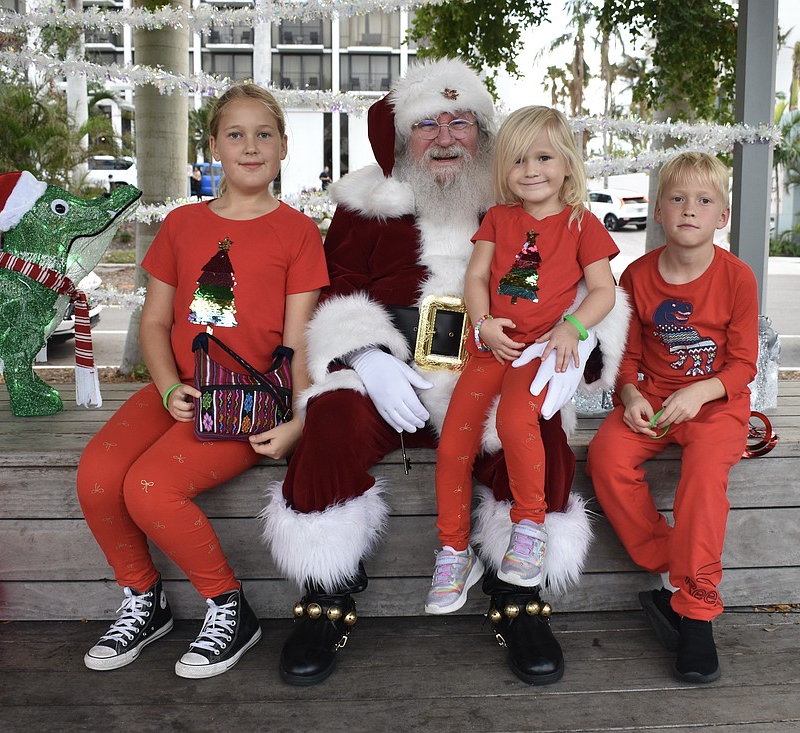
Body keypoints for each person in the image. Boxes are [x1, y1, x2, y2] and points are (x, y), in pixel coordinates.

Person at [258, 58, 629, 687]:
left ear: (484, 133)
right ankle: (327, 587)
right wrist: (365, 355)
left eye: (462, 122)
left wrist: (579, 346)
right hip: (392, 369)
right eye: (428, 124)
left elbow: (593, 287)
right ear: (404, 138)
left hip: (502, 360)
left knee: (537, 432)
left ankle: (519, 592)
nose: (446, 137)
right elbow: (336, 286)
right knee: (333, 419)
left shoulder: (520, 196)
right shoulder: (363, 206)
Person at [76, 83, 328, 679]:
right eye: (235, 135)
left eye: (263, 135)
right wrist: (167, 387)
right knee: (97, 477)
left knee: (149, 488)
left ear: (283, 147)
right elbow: (155, 323)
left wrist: (300, 418)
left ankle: (229, 607)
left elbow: (301, 342)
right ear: (213, 146)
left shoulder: (298, 232)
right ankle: (145, 599)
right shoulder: (182, 225)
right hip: (179, 388)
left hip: (248, 401)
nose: (250, 146)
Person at [425, 106, 617, 615]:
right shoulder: (498, 218)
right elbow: (476, 277)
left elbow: (604, 291)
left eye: (543, 158)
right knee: (453, 444)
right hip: (491, 347)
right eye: (517, 161)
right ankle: (453, 550)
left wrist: (573, 328)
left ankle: (529, 527)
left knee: (515, 421)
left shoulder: (581, 223)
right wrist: (484, 322)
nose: (530, 170)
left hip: (538, 350)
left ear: (568, 164)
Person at [586, 151, 759, 684]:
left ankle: (697, 611)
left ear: (721, 216)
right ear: (658, 211)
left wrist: (702, 392)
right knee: (605, 456)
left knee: (704, 476)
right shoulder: (636, 276)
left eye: (703, 201)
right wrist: (630, 395)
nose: (689, 209)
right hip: (656, 400)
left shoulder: (738, 278)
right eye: (678, 198)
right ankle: (670, 555)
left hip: (715, 405)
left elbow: (743, 364)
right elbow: (627, 356)